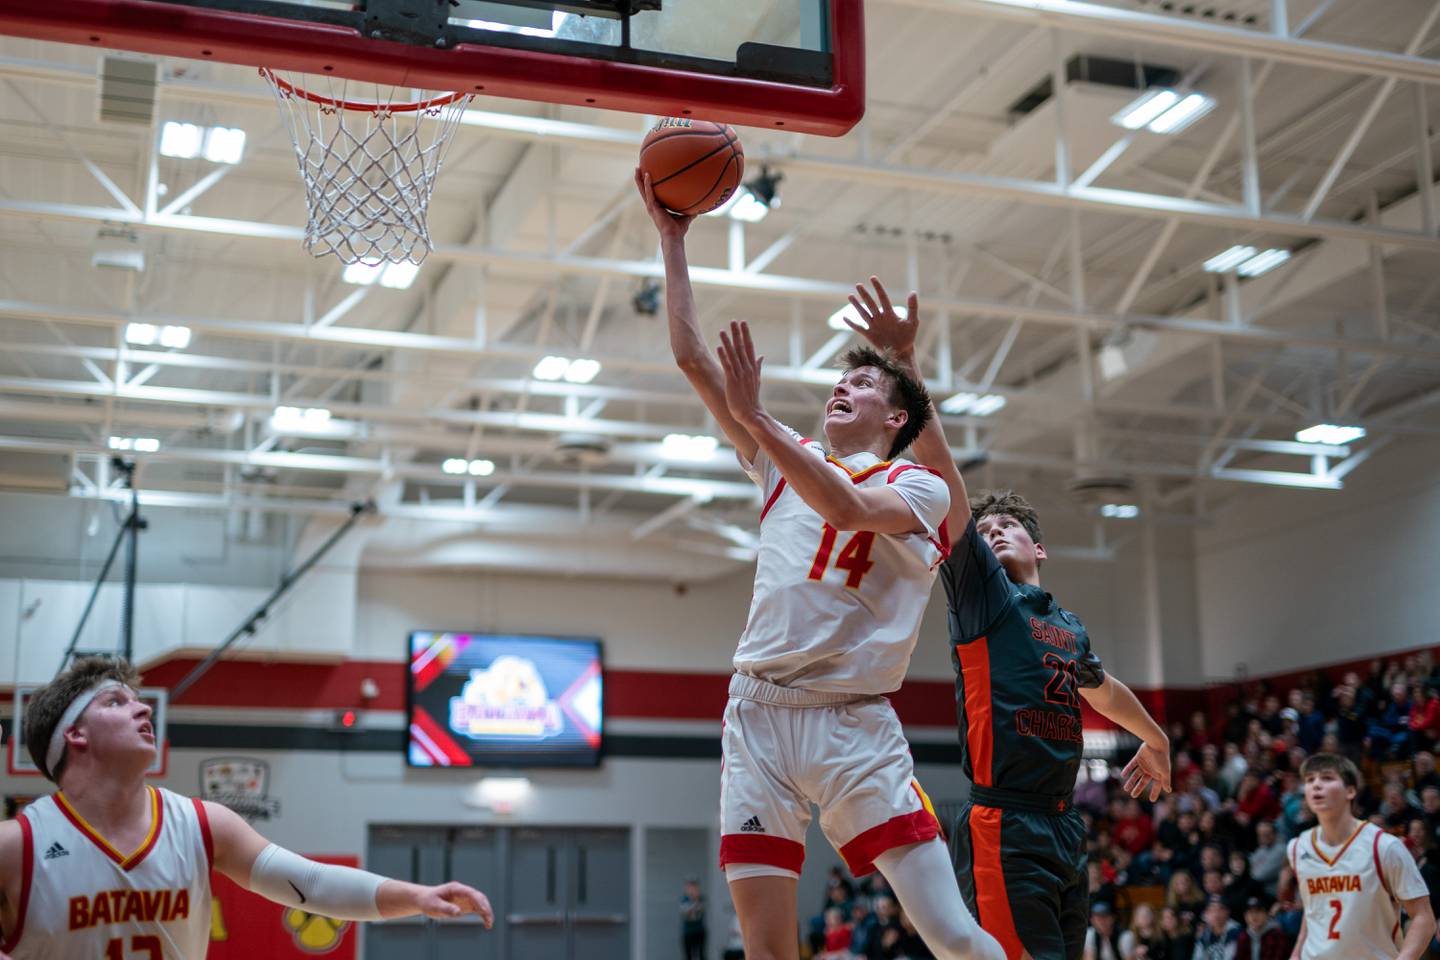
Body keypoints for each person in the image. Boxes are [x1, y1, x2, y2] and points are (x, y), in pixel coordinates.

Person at [637, 173, 1002, 960]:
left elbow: (847, 510)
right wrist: (674, 238)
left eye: (865, 382)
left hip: (853, 722)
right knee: (769, 950)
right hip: (758, 714)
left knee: (953, 936)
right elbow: (692, 358)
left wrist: (763, 414)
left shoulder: (920, 485)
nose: (844, 384)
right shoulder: (782, 462)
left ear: (897, 419)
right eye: (841, 377)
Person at [842, 279, 1173, 960]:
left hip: (1063, 825)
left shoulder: (1065, 623)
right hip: (1005, 820)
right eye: (982, 527)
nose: (990, 532)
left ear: (1039, 546)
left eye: (1006, 527)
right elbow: (941, 470)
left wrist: (1155, 736)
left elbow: (1102, 690)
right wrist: (906, 361)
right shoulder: (984, 595)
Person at [0, 657, 492, 959]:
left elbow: (313, 884)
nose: (144, 708)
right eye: (115, 702)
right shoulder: (17, 846)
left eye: (139, 700)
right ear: (74, 734)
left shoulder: (202, 824)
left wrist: (419, 896)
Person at [1286, 753, 1435, 960]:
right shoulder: (1298, 847)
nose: (1316, 785)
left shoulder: (1384, 847)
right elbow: (1314, 912)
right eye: (1310, 780)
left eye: (1327, 778)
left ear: (1350, 790)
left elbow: (1423, 917)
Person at [681, 878, 706, 960]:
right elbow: (686, 914)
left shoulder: (701, 898)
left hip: (699, 931)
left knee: (701, 954)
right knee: (688, 955)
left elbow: (698, 913)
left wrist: (695, 900)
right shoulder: (684, 899)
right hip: (688, 932)